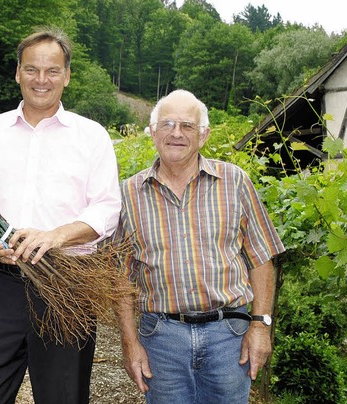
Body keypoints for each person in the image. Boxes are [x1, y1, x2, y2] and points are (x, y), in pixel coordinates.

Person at [0, 27, 121, 403]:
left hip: (68, 284)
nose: (41, 80)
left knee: (63, 396)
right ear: (17, 72)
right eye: (31, 69)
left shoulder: (91, 136)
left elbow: (107, 207)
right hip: (3, 285)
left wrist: (55, 236)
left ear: (67, 75)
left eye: (52, 70)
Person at [114, 89, 285, 403]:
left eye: (187, 126)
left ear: (203, 135)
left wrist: (261, 325)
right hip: (161, 339)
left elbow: (261, 259)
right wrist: (129, 341)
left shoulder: (235, 181)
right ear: (152, 133)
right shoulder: (128, 195)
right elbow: (121, 280)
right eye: (167, 124)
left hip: (229, 337)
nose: (176, 133)